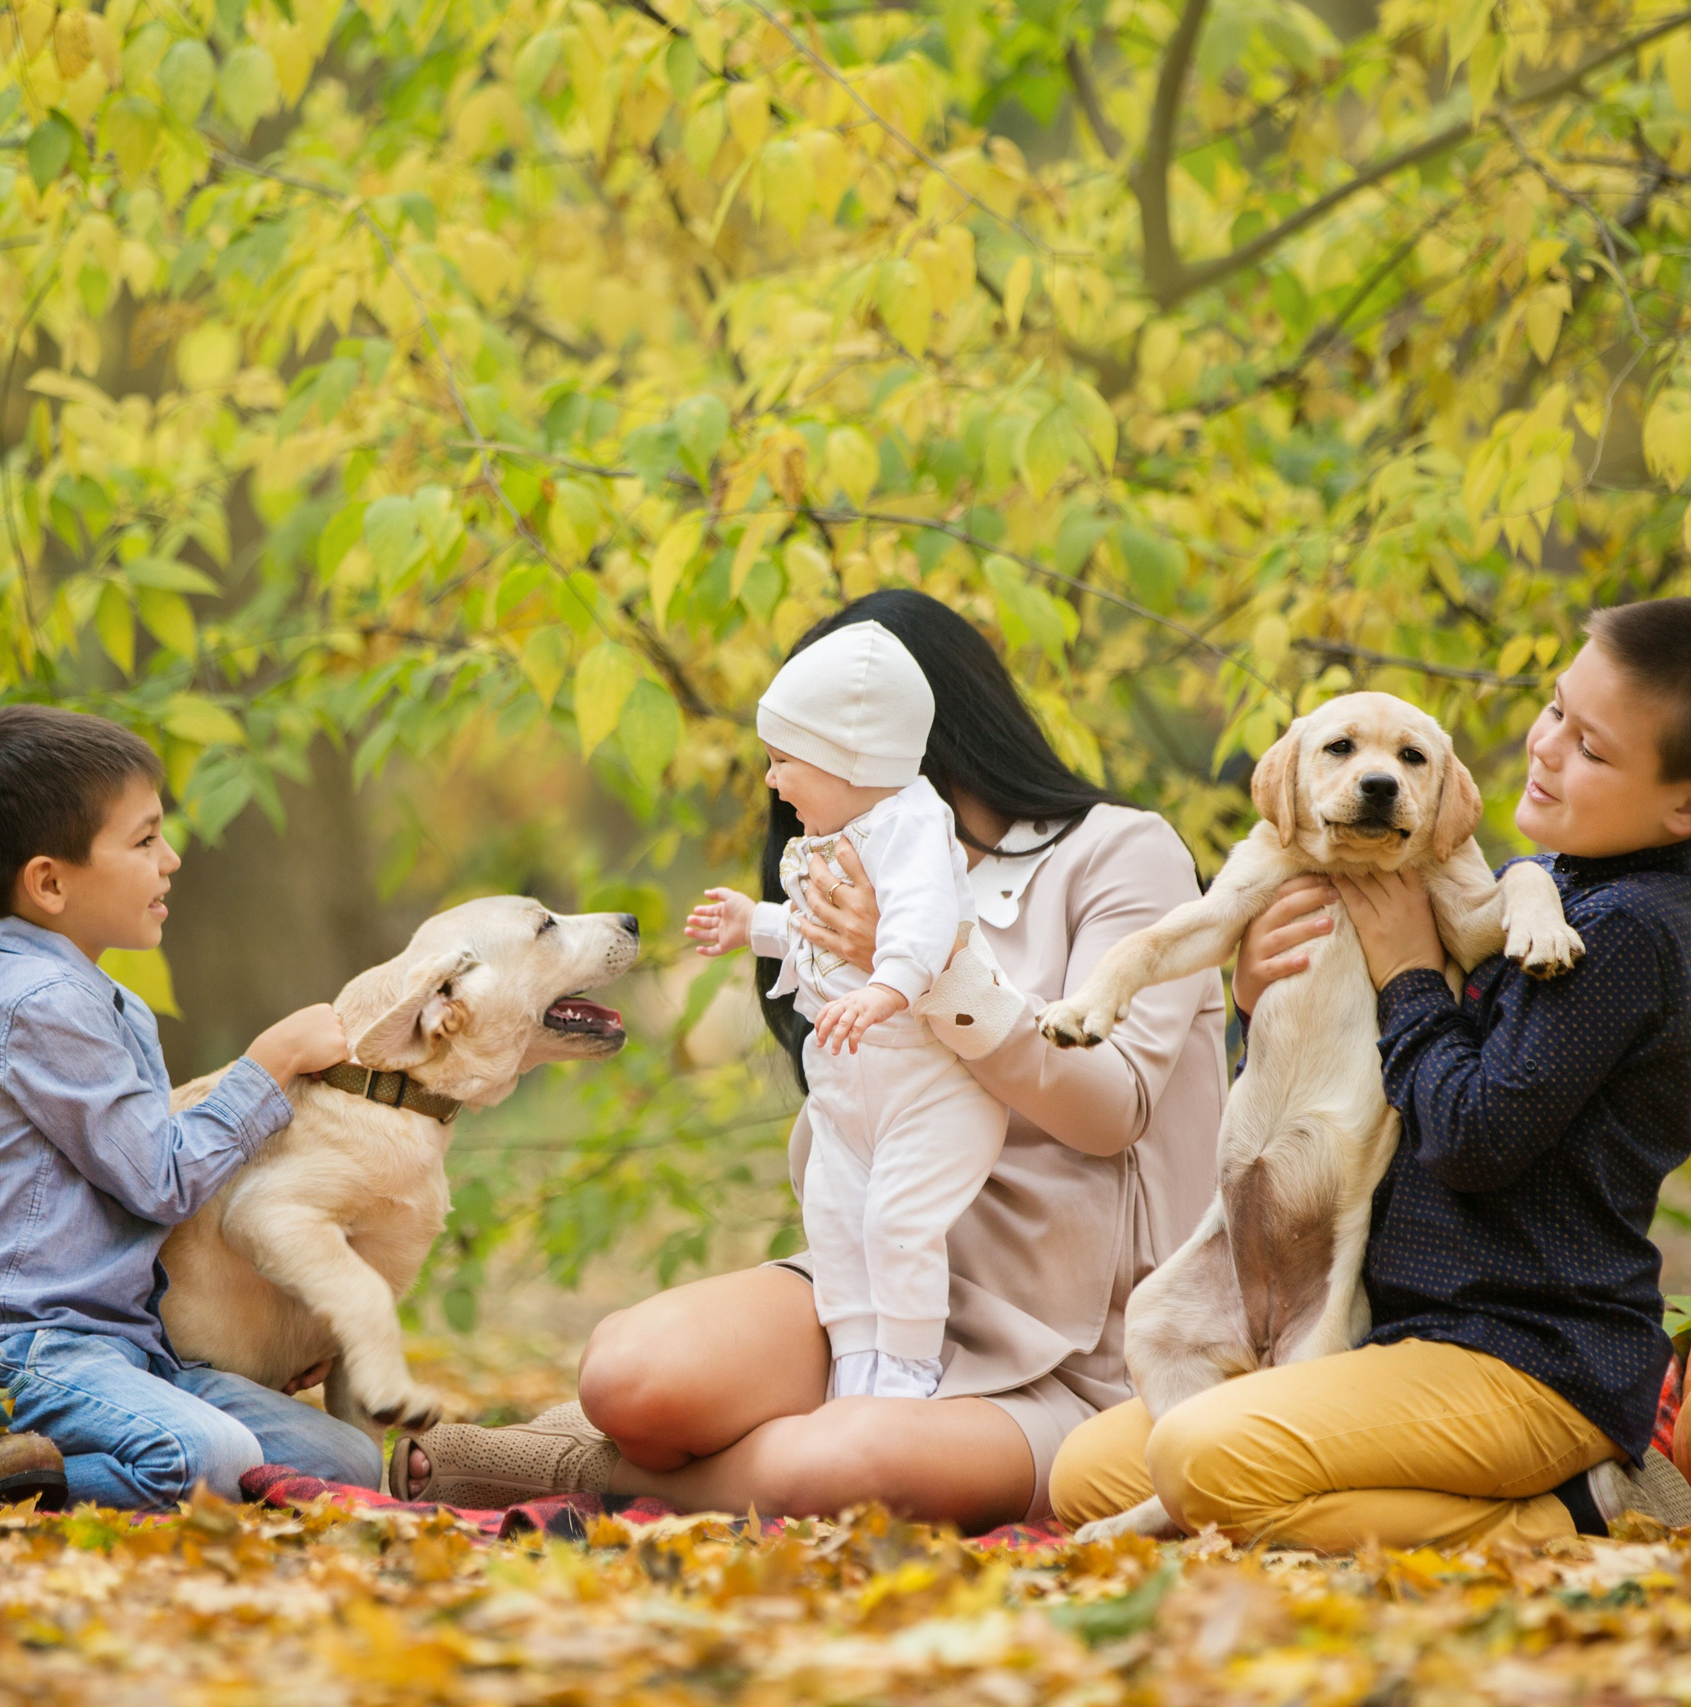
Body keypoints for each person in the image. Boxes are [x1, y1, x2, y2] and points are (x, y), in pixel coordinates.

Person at [391, 589, 1232, 1529]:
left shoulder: (1121, 853)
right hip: (883, 1284)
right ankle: (631, 1440)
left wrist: (929, 969)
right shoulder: (835, 864)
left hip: (1086, 1357)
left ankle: (574, 1469)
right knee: (631, 1373)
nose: (779, 782)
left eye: (800, 750)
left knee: (834, 1463)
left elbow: (1111, 1105)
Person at [1049, 597, 1691, 1549]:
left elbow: (1473, 1136)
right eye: (1555, 710)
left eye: (1593, 748)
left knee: (1202, 1460)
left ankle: (1565, 1512)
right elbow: (1358, 1072)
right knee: (1086, 1471)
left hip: (1527, 1354)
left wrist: (1409, 968)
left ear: (1690, 804)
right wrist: (1259, 993)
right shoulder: (1554, 886)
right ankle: (1263, 1491)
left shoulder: (1626, 935)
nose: (1547, 748)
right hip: (1400, 1331)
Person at [0, 704, 385, 1507]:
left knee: (342, 1458)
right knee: (210, 1454)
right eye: (142, 841)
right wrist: (267, 1066)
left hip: (129, 1350)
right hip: (25, 1353)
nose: (170, 860)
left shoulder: (108, 1005)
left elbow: (149, 1220)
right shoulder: (37, 1005)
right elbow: (159, 1179)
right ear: (50, 881)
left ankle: (36, 1462)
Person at [686, 620, 1008, 1402]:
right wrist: (753, 924)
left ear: (848, 760)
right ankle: (856, 1363)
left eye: (784, 760)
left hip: (928, 1092)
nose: (771, 779)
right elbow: (819, 935)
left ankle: (905, 1371)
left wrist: (885, 988)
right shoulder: (829, 835)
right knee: (836, 1221)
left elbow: (925, 921)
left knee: (898, 1223)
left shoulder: (911, 826)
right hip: (849, 1094)